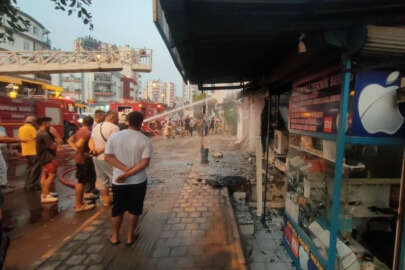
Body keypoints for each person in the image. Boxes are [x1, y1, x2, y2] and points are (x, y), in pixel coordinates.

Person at [105, 111, 152, 245]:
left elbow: (108, 157)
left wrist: (124, 171)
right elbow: (144, 163)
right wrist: (128, 173)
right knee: (134, 209)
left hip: (118, 181)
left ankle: (115, 237)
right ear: (141, 123)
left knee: (118, 209)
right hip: (138, 181)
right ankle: (130, 237)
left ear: (127, 122)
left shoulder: (114, 137)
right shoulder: (144, 139)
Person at [89, 111, 119, 206]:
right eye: (117, 117)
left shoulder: (97, 126)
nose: (118, 119)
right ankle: (120, 200)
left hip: (97, 158)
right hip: (109, 158)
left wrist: (93, 150)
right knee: (116, 179)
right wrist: (99, 150)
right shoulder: (114, 128)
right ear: (112, 117)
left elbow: (91, 140)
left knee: (102, 180)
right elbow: (112, 143)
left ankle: (106, 201)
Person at [68, 116, 96, 212]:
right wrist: (83, 154)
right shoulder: (87, 132)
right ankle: (78, 205)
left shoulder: (79, 130)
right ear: (92, 123)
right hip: (83, 160)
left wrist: (77, 150)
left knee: (82, 181)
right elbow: (79, 144)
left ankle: (80, 202)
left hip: (80, 159)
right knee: (81, 182)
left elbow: (70, 140)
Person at [36, 117, 58, 204]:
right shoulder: (44, 134)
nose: (51, 124)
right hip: (47, 157)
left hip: (43, 157)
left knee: (44, 175)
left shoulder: (39, 132)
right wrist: (57, 137)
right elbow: (52, 146)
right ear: (45, 123)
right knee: (52, 175)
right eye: (49, 122)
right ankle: (45, 196)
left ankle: (45, 193)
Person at [18, 116, 41, 191]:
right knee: (36, 169)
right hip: (33, 151)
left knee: (29, 168)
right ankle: (32, 185)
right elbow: (37, 138)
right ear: (33, 122)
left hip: (26, 151)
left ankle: (27, 184)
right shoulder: (31, 128)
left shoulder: (21, 128)